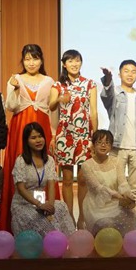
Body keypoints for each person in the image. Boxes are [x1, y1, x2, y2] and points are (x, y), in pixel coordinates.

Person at [2, 44, 59, 231]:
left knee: (44, 166)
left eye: (35, 58)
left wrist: (54, 134)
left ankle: (47, 214)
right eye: (27, 59)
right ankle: (19, 219)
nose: (31, 63)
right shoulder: (15, 79)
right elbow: (10, 106)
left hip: (42, 126)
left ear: (41, 60)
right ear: (22, 61)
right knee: (21, 166)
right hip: (20, 127)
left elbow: (52, 110)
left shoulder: (49, 81)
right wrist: (15, 88)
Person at [54, 49, 98, 227]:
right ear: (64, 64)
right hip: (65, 135)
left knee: (82, 179)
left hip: (84, 135)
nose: (74, 64)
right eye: (70, 61)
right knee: (66, 180)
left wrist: (95, 136)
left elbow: (93, 112)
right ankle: (69, 218)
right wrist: (59, 99)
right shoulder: (58, 85)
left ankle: (82, 218)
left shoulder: (90, 84)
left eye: (77, 60)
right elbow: (51, 107)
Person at [12, 122, 76, 236]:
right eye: (33, 138)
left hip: (42, 203)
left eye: (40, 136)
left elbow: (51, 185)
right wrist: (39, 204)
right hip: (23, 204)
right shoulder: (21, 160)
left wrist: (50, 206)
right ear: (26, 141)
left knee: (61, 207)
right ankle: (53, 241)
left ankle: (70, 240)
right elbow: (21, 189)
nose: (38, 140)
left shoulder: (49, 160)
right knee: (43, 222)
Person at [100, 59, 136, 199]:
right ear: (119, 74)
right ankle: (116, 214)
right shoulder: (115, 95)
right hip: (118, 147)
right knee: (115, 186)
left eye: (133, 72)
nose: (130, 74)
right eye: (126, 71)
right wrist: (107, 79)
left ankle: (134, 214)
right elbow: (106, 95)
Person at [80, 129, 136, 235]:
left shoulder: (117, 161)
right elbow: (98, 188)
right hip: (97, 205)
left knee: (131, 215)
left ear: (111, 146)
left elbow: (122, 182)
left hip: (116, 203)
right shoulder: (86, 165)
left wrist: (127, 195)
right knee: (107, 223)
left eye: (107, 143)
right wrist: (118, 196)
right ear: (93, 145)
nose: (103, 145)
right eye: (99, 142)